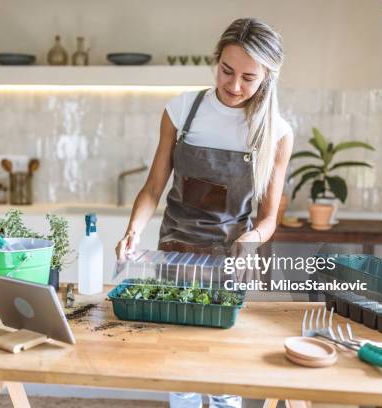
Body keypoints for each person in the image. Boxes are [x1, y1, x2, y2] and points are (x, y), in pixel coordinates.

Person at [116, 17, 293, 408]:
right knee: (179, 366)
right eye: (227, 71)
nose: (233, 86)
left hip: (229, 260)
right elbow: (152, 188)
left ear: (267, 77)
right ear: (216, 61)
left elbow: (267, 218)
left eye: (249, 78)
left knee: (222, 371)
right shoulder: (182, 111)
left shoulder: (276, 132)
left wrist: (251, 241)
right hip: (173, 254)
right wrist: (133, 229)